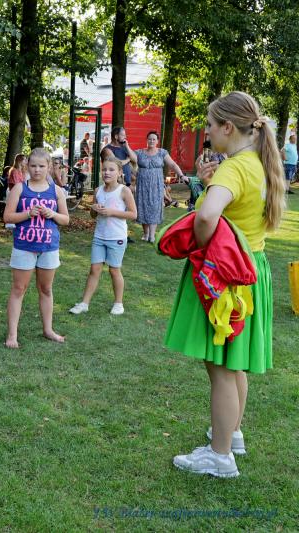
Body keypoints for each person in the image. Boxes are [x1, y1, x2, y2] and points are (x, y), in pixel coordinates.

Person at [169, 91, 284, 478]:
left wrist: (204, 247)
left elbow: (206, 217)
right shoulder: (259, 163)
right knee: (234, 364)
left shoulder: (233, 168)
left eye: (209, 125)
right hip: (251, 269)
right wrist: (209, 185)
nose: (207, 132)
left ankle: (219, 456)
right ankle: (231, 435)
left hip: (227, 275)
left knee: (219, 365)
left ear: (228, 127)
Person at [3, 148, 69, 347]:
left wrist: (52, 214)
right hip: (24, 246)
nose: (37, 170)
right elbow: (7, 217)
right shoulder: (19, 189)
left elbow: (65, 219)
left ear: (49, 167)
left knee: (46, 289)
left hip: (49, 247)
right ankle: (12, 335)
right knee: (18, 289)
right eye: (33, 166)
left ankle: (48, 330)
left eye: (41, 166)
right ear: (27, 166)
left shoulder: (56, 191)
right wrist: (27, 214)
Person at [68, 157, 137, 316]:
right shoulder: (98, 190)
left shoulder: (124, 190)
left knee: (114, 270)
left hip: (116, 237)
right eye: (104, 169)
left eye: (111, 170)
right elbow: (93, 215)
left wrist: (112, 212)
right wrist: (94, 208)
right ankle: (84, 303)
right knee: (94, 269)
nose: (107, 172)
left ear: (119, 172)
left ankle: (118, 304)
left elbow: (133, 214)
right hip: (99, 236)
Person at [128, 131, 187, 242]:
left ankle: (152, 235)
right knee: (143, 206)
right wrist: (133, 172)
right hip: (142, 185)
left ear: (157, 141)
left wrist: (181, 175)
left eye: (154, 139)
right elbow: (129, 160)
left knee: (155, 207)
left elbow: (172, 164)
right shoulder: (139, 152)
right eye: (149, 139)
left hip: (156, 184)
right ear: (147, 140)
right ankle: (145, 234)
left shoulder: (162, 153)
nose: (151, 141)